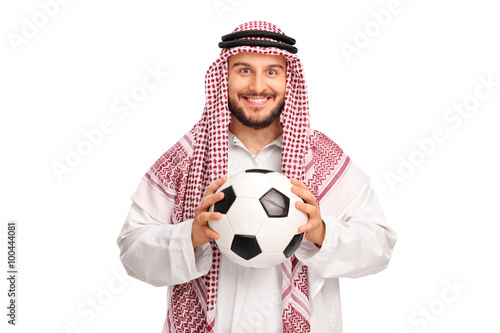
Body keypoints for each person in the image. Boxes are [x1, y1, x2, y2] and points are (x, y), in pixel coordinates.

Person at [117, 21, 397, 333]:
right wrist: (190, 237)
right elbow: (131, 249)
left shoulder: (321, 158)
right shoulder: (186, 157)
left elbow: (381, 246)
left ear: (289, 80)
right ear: (224, 76)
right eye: (244, 70)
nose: (258, 86)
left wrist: (321, 233)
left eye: (272, 71)